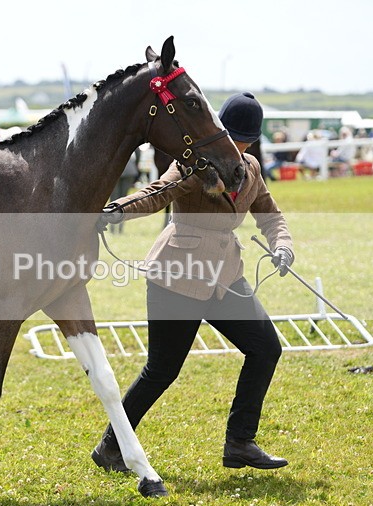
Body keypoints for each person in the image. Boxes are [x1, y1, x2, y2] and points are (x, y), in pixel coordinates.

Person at [93, 92, 294, 476]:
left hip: (225, 277)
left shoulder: (250, 168)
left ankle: (240, 443)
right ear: (218, 131)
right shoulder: (193, 163)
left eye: (246, 141)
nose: (239, 148)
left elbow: (271, 216)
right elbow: (158, 194)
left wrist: (282, 246)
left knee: (265, 348)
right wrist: (115, 210)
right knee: (163, 370)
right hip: (177, 276)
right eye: (233, 138)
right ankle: (110, 446)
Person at [109, 148, 141, 234]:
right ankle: (120, 228)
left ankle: (113, 228)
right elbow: (138, 153)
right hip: (130, 169)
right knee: (123, 202)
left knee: (114, 200)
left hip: (115, 170)